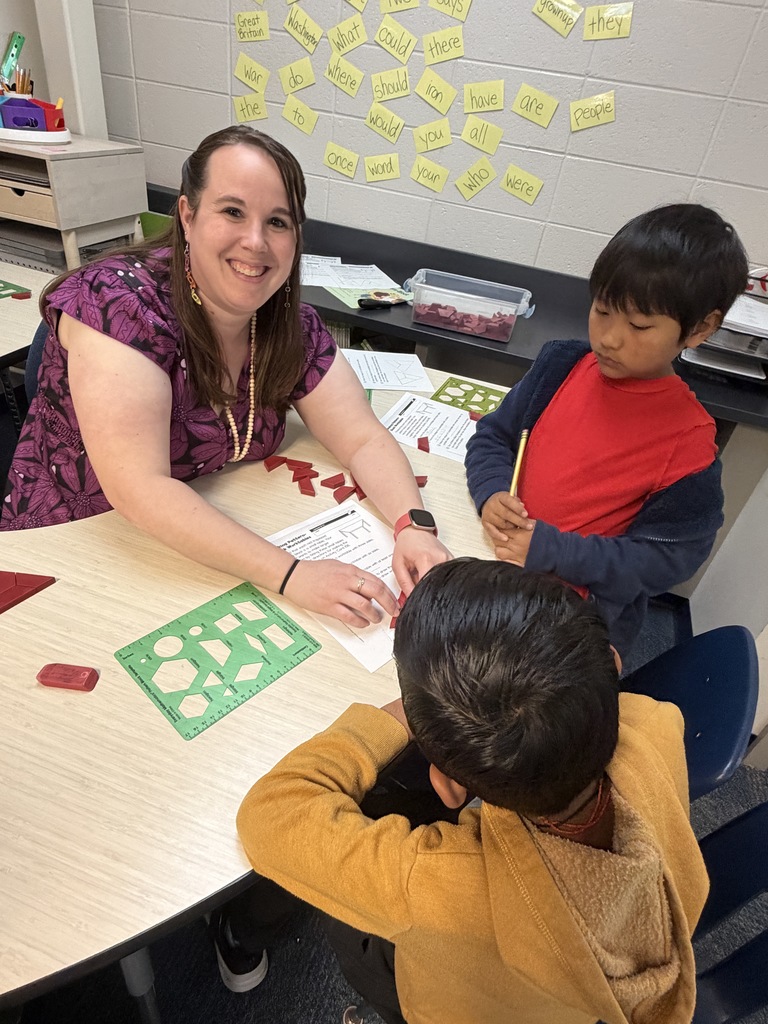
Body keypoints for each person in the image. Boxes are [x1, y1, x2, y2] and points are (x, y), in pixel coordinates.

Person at [1, 126, 449, 628]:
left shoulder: (287, 323)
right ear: (188, 217)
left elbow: (362, 437)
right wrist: (293, 575)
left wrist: (414, 526)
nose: (255, 242)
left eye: (277, 222)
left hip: (209, 535)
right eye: (232, 212)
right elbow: (140, 488)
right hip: (78, 549)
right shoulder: (119, 305)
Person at [235, 558, 708, 1024]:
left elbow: (269, 815)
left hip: (440, 1006)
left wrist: (405, 713)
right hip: (563, 1007)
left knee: (353, 914)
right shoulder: (657, 725)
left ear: (449, 785)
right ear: (612, 662)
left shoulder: (433, 883)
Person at [465, 203, 749, 655]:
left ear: (700, 329)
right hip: (498, 568)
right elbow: (493, 437)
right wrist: (492, 491)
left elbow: (666, 560)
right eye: (602, 311)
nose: (610, 338)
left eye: (639, 325)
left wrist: (554, 551)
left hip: (575, 624)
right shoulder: (560, 366)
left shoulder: (689, 442)